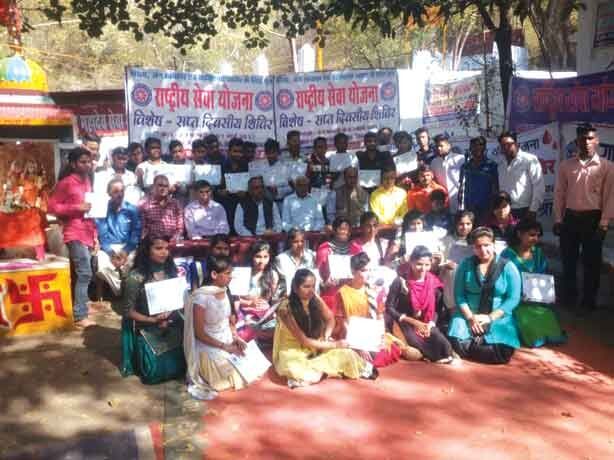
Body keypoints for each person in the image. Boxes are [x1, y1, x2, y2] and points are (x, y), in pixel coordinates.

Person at [272, 269, 373, 387]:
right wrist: (334, 344)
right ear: (295, 288)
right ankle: (320, 372)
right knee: (295, 368)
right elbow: (303, 340)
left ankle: (320, 371)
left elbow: (330, 319)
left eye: (313, 286)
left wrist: (326, 336)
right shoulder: (285, 309)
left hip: (314, 346)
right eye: (306, 287)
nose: (311, 290)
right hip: (292, 351)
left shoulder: (314, 297)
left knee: (347, 354)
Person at [554, 123, 614, 312]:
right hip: (570, 218)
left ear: (597, 141)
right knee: (568, 261)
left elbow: (610, 197)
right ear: (577, 141)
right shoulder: (566, 165)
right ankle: (569, 298)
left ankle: (588, 302)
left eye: (590, 138)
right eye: (583, 139)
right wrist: (558, 219)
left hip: (593, 220)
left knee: (591, 264)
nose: (586, 142)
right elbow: (559, 194)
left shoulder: (607, 166)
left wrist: (604, 224)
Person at [448, 227, 522, 364]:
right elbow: (459, 295)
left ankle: (472, 348)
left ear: (493, 245)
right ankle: (473, 347)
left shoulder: (508, 267)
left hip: (498, 316)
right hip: (469, 314)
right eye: (478, 246)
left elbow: (513, 298)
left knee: (501, 352)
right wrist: (471, 318)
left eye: (486, 245)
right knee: (457, 341)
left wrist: (489, 317)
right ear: (473, 248)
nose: (483, 250)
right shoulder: (465, 265)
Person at [119, 236, 186, 384]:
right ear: (146, 250)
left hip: (171, 323)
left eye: (166, 248)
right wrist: (153, 320)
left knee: (183, 367)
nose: (164, 252)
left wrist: (170, 315)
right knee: (153, 373)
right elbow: (128, 311)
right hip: (147, 327)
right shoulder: (135, 277)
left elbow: (177, 301)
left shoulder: (171, 272)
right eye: (158, 248)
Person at [184, 255, 252, 397]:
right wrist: (224, 347)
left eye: (231, 273)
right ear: (214, 274)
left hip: (226, 338)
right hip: (209, 344)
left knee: (248, 364)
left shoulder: (225, 290)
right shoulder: (201, 297)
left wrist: (235, 338)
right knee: (225, 380)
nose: (231, 277)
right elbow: (199, 334)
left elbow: (228, 321)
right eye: (227, 273)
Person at [48, 147, 97, 327]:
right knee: (85, 272)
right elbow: (52, 207)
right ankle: (79, 315)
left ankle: (81, 305)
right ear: (73, 164)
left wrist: (95, 235)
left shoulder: (88, 181)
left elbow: (91, 210)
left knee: (84, 272)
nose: (87, 165)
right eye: (83, 162)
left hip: (88, 231)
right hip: (74, 232)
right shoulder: (66, 183)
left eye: (89, 162)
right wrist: (77, 207)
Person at [501, 219, 566, 347]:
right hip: (515, 301)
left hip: (537, 301)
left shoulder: (538, 253)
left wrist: (547, 294)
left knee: (549, 322)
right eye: (531, 235)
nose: (535, 238)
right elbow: (501, 281)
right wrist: (517, 296)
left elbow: (543, 277)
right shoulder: (507, 255)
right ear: (519, 234)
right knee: (527, 328)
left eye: (537, 235)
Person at [385, 246, 455, 363]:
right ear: (411, 262)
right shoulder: (401, 281)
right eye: (419, 264)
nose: (423, 269)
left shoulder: (434, 283)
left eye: (427, 265)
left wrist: (430, 325)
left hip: (425, 323)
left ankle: (440, 355)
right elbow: (389, 307)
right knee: (417, 343)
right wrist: (413, 322)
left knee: (443, 344)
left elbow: (437, 310)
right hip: (404, 322)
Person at [336, 252, 404, 367]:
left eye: (369, 270)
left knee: (388, 350)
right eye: (363, 270)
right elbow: (343, 322)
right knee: (361, 358)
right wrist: (357, 345)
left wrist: (380, 336)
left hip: (370, 334)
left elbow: (379, 316)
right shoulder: (342, 293)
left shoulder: (373, 291)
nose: (368, 274)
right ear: (353, 271)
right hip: (351, 335)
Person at [95, 178, 141, 297]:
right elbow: (102, 234)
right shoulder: (103, 209)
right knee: (102, 266)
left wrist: (126, 251)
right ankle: (122, 290)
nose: (120, 194)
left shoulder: (132, 209)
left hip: (128, 246)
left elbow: (136, 232)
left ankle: (120, 290)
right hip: (108, 247)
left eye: (122, 191)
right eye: (116, 191)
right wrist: (111, 253)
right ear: (109, 193)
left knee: (130, 263)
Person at [236, 240, 284, 341]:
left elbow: (269, 299)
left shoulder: (272, 275)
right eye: (258, 256)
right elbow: (234, 298)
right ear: (251, 256)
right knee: (248, 329)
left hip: (264, 313)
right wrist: (249, 303)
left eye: (265, 257)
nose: (262, 261)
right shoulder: (242, 273)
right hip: (244, 310)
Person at [497, 131, 545, 221]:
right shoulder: (500, 163)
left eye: (509, 144)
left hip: (525, 210)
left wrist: (533, 209)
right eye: (503, 145)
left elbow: (538, 186)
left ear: (516, 144)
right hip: (505, 209)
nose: (506, 147)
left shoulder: (529, 160)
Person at [439, 211, 475, 310]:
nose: (465, 227)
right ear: (455, 224)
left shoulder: (475, 242)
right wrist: (444, 266)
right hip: (451, 281)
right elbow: (439, 263)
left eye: (468, 224)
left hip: (469, 282)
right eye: (461, 224)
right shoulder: (445, 241)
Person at [316, 216, 353, 314]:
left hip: (351, 293)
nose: (345, 232)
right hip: (331, 294)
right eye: (342, 229)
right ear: (335, 230)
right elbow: (317, 275)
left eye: (347, 230)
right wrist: (324, 284)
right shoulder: (324, 249)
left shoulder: (355, 248)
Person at [458, 136, 499, 223]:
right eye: (473, 145)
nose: (477, 148)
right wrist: (461, 207)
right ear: (470, 148)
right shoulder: (465, 167)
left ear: (484, 147)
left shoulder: (492, 166)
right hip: (469, 208)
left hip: (486, 209)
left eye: (480, 145)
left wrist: (493, 208)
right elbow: (461, 188)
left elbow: (495, 188)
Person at [139, 174, 184, 241]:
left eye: (166, 186)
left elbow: (180, 228)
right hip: (152, 242)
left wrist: (172, 241)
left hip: (172, 241)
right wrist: (153, 241)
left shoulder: (176, 204)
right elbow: (143, 228)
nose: (163, 189)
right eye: (160, 185)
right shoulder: (144, 204)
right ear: (153, 187)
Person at [274, 228, 318, 295]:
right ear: (289, 242)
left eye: (302, 241)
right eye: (295, 242)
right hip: (288, 296)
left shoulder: (312, 256)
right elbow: (277, 282)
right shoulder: (281, 259)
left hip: (309, 295)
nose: (299, 244)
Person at [431, 134, 465, 214]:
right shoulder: (434, 162)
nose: (439, 148)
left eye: (441, 146)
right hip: (443, 204)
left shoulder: (460, 159)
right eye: (437, 146)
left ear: (449, 146)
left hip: (460, 200)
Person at [263, 138, 292, 207]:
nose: (271, 155)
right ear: (265, 153)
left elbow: (292, 187)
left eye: (273, 152)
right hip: (266, 204)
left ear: (278, 152)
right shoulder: (261, 167)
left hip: (283, 203)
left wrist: (278, 190)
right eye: (268, 152)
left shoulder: (286, 167)